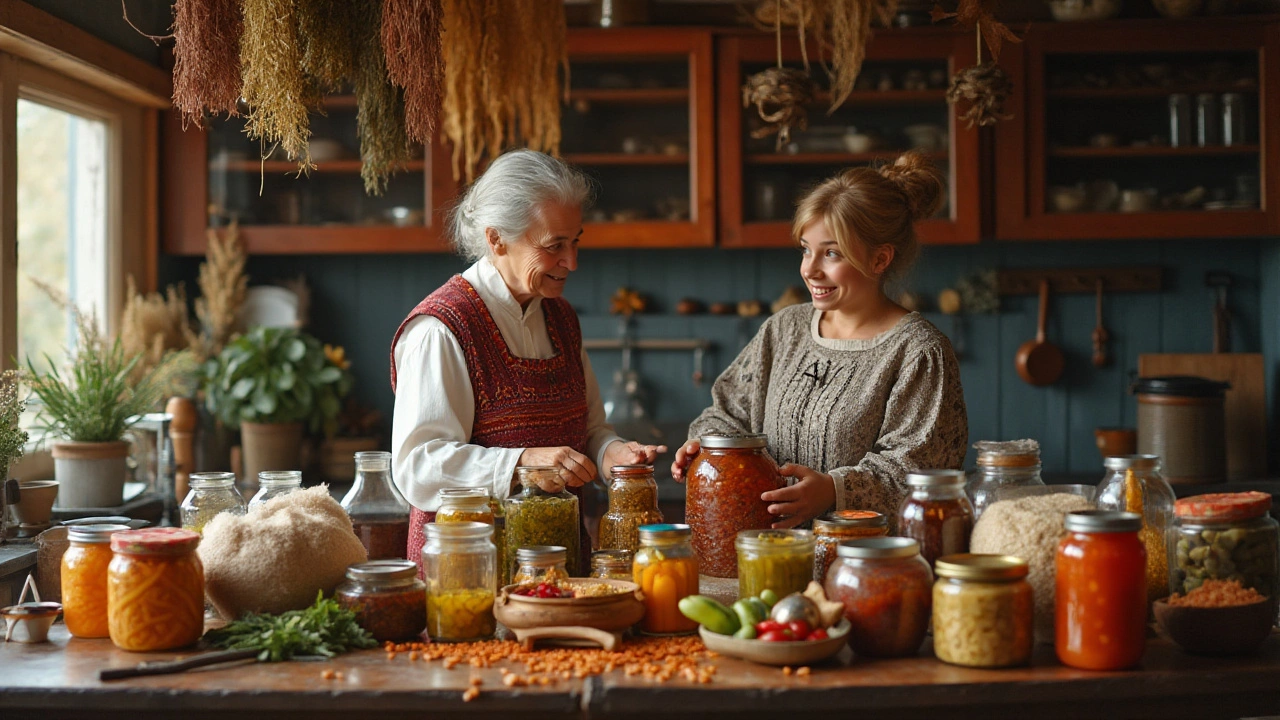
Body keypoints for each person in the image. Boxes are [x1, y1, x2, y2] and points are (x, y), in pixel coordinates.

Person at [390, 149, 665, 563]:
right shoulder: (442, 329)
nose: (571, 262)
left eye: (575, 243)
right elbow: (418, 467)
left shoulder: (561, 317)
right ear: (496, 237)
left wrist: (613, 454)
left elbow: (589, 429)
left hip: (561, 567)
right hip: (469, 576)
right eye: (554, 245)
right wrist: (522, 463)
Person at [671, 151, 967, 527]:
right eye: (806, 249)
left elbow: (919, 470)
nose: (809, 270)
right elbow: (728, 412)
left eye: (831, 253)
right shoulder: (784, 329)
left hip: (868, 567)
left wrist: (833, 490)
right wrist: (711, 447)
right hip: (771, 554)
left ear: (880, 260)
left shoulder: (918, 352)